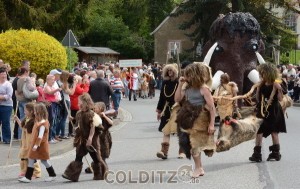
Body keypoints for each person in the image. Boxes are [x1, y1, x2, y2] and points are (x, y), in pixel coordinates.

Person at [175, 62, 216, 177]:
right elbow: (177, 98)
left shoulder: (204, 89)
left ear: (194, 75)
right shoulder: (187, 87)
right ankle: (199, 168)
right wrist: (179, 85)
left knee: (195, 144)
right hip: (188, 117)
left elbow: (212, 108)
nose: (186, 77)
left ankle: (198, 168)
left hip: (200, 119)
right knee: (190, 143)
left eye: (188, 75)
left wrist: (212, 124)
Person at [62, 93, 107, 182]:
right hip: (81, 140)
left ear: (85, 102)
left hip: (91, 140)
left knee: (95, 157)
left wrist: (90, 138)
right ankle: (72, 175)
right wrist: (73, 119)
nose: (78, 103)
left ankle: (100, 174)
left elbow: (93, 127)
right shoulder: (79, 113)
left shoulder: (90, 114)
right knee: (78, 156)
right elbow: (79, 122)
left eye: (80, 102)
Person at [249, 63, 286, 162]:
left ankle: (276, 153)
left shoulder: (276, 83)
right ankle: (257, 155)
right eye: (261, 73)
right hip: (262, 109)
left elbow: (280, 99)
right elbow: (257, 98)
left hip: (274, 110)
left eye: (263, 73)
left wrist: (279, 89)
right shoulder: (261, 83)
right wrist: (257, 90)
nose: (261, 75)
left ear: (268, 73)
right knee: (259, 131)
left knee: (274, 132)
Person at [18, 103, 57, 183]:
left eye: (35, 111)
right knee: (31, 159)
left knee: (44, 161)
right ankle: (28, 177)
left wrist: (36, 145)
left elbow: (40, 136)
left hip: (41, 146)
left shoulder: (43, 124)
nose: (34, 113)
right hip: (36, 145)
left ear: (40, 112)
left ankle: (52, 175)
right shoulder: (38, 122)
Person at [156, 64, 184, 159]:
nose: (169, 72)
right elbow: (161, 98)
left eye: (171, 71)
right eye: (168, 71)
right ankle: (164, 152)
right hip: (167, 109)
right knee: (166, 130)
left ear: (175, 71)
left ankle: (182, 151)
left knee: (180, 131)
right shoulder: (165, 83)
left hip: (177, 108)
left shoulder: (179, 82)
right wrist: (159, 111)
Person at [14, 102, 41, 179]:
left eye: (26, 110)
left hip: (31, 142)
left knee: (32, 158)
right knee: (23, 156)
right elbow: (22, 127)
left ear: (31, 111)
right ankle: (24, 170)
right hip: (25, 143)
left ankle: (36, 173)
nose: (24, 111)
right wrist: (17, 119)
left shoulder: (34, 121)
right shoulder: (26, 119)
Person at [85, 102, 113, 174]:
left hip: (104, 139)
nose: (94, 109)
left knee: (102, 155)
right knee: (96, 154)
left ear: (101, 109)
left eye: (96, 108)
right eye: (94, 108)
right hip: (96, 138)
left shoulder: (104, 117)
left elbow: (111, 123)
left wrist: (105, 116)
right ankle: (94, 167)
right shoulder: (94, 116)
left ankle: (104, 169)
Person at [0, 67, 13, 144]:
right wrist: (3, 96)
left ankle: (7, 139)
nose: (4, 76)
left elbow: (8, 96)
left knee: (5, 122)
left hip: (7, 106)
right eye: (2, 74)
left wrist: (1, 97)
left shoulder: (8, 84)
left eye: (5, 74)